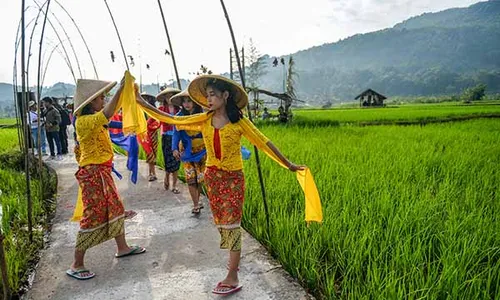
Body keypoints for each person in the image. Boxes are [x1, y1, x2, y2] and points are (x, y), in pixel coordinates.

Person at [136, 75, 305, 295]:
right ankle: (233, 262)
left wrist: (288, 164)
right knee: (223, 224)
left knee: (232, 225)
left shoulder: (239, 122)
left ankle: (232, 275)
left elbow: (264, 142)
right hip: (213, 179)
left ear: (225, 96)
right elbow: (174, 121)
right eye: (207, 96)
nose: (208, 99)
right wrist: (141, 103)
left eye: (213, 95)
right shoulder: (203, 119)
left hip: (233, 179)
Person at [67, 78, 146, 280]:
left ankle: (123, 247)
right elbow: (109, 112)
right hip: (92, 175)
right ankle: (76, 264)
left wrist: (126, 90)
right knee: (92, 215)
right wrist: (120, 88)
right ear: (90, 101)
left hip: (101, 173)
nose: (103, 99)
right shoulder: (84, 122)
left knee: (116, 207)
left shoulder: (94, 119)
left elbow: (112, 110)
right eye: (101, 97)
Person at [170, 90, 206, 214]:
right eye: (184, 101)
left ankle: (198, 198)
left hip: (202, 151)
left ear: (195, 102)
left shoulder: (202, 116)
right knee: (190, 178)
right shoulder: (179, 117)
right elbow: (176, 134)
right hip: (186, 152)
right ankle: (195, 204)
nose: (186, 104)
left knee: (201, 178)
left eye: (189, 101)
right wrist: (174, 148)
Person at [157, 88, 181, 193]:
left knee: (176, 160)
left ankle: (174, 185)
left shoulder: (179, 110)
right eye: (167, 96)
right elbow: (160, 120)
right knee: (168, 160)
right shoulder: (161, 109)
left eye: (171, 96)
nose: (169, 98)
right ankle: (166, 176)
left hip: (177, 137)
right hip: (166, 137)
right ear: (165, 99)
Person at [141, 93, 161, 182]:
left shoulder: (152, 110)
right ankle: (151, 173)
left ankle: (152, 173)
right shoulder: (140, 110)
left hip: (153, 133)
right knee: (149, 153)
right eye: (143, 98)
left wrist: (147, 123)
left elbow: (156, 120)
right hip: (145, 134)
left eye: (147, 98)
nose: (145, 100)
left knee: (154, 152)